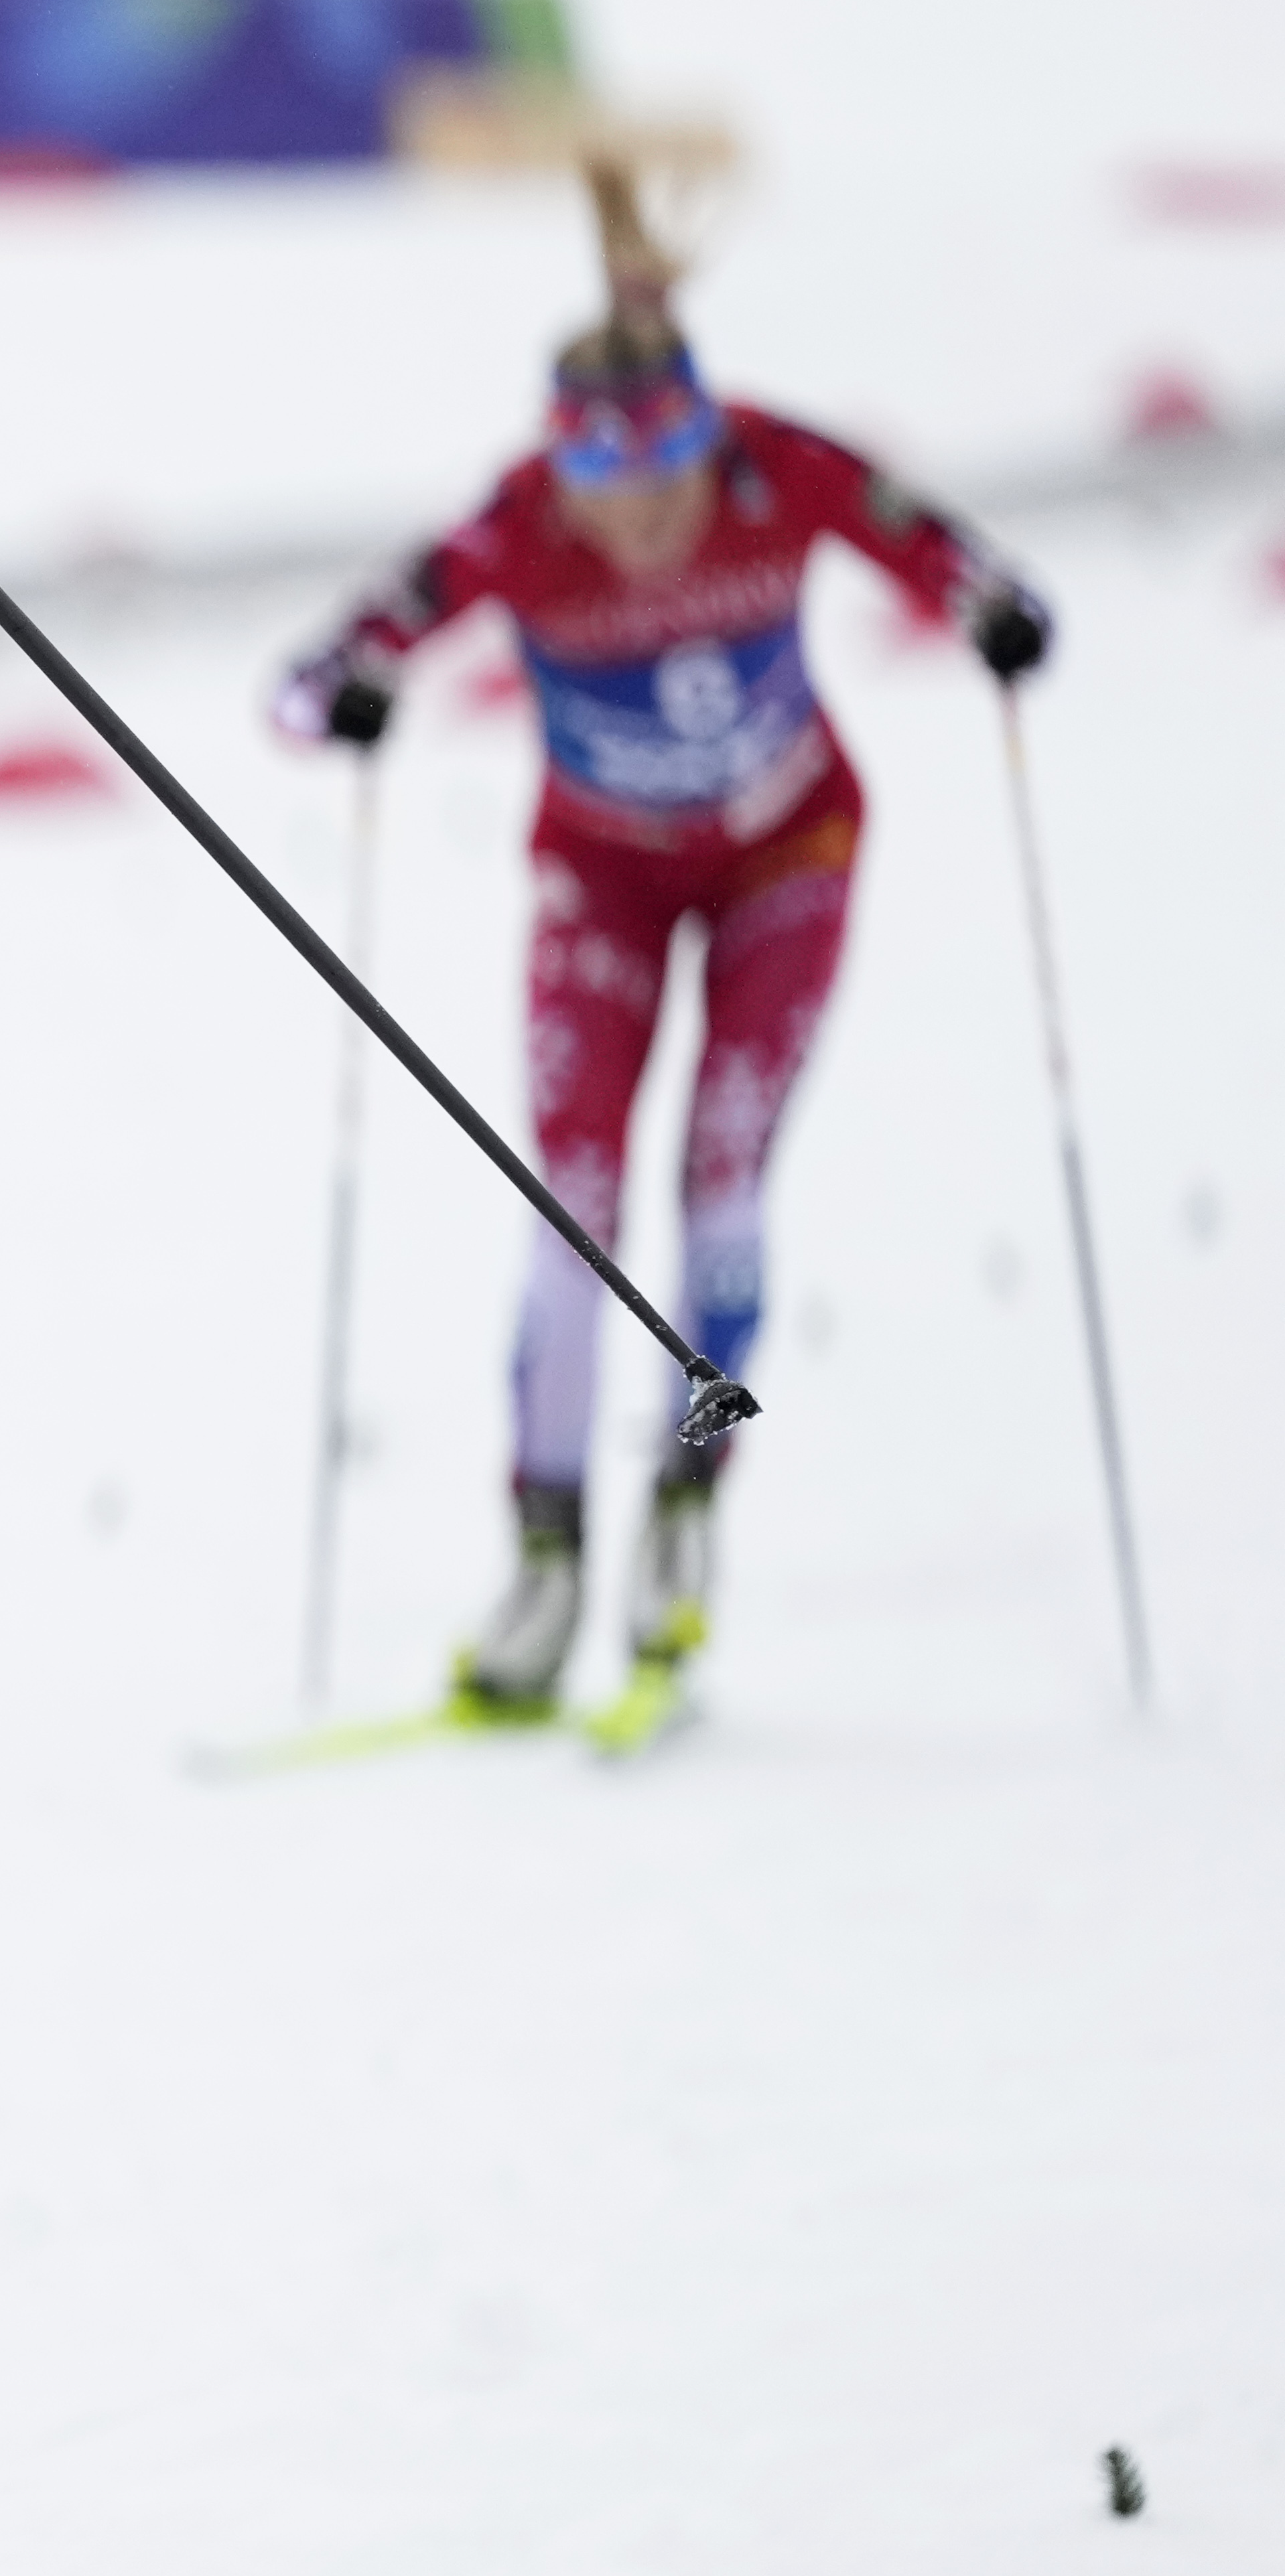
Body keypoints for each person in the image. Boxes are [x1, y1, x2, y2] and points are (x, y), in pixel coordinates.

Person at [278, 211, 1046, 1712]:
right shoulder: (518, 523)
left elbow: (951, 556)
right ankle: (547, 1555)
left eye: (661, 482)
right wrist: (348, 693)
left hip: (785, 858)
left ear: (703, 440)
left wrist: (993, 614)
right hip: (600, 880)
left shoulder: (776, 465)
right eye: (597, 487)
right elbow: (311, 672)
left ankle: (686, 1514)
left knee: (721, 1181)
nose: (634, 524)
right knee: (566, 1204)